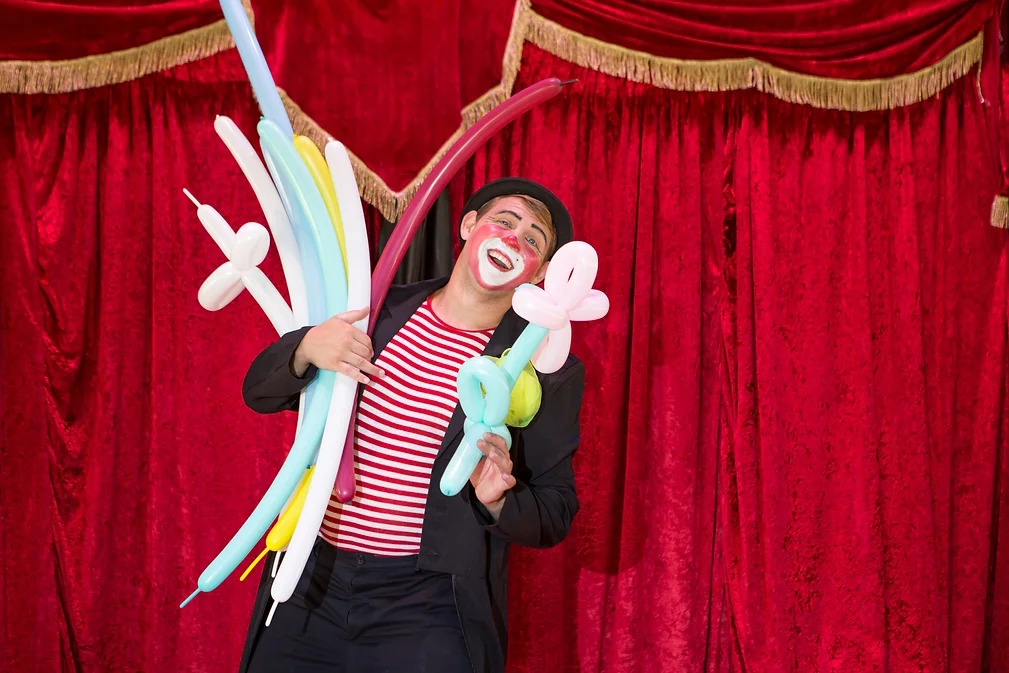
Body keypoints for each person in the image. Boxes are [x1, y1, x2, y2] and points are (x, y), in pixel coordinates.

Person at [238, 177, 585, 673]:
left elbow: (554, 511)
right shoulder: (375, 309)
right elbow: (258, 391)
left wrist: (499, 499)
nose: (513, 239)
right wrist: (306, 348)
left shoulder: (545, 367)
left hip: (428, 606)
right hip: (310, 582)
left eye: (533, 239)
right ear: (469, 225)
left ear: (543, 271)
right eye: (504, 221)